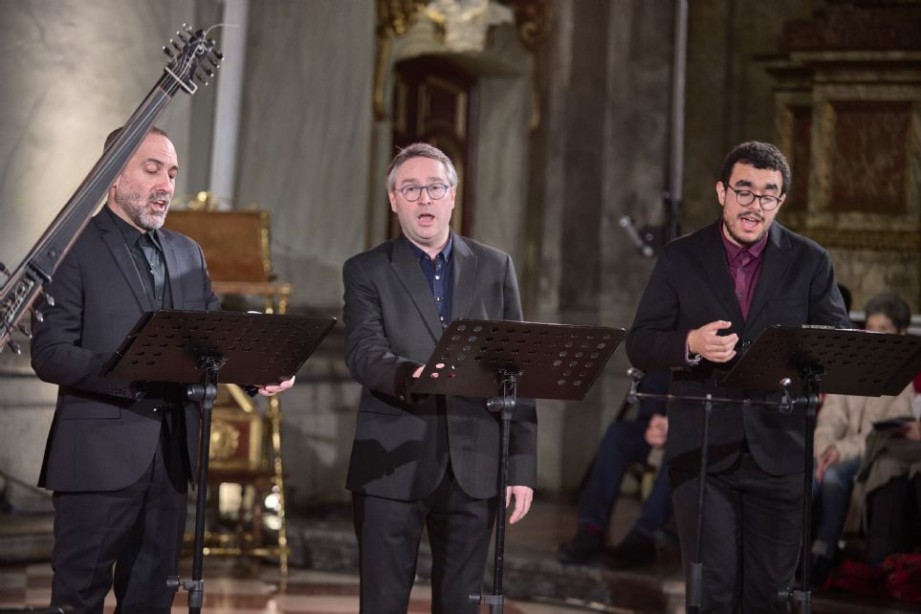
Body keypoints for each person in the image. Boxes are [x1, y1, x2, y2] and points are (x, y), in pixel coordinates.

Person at [30, 126, 293, 613]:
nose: (165, 185)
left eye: (172, 173)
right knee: (78, 599)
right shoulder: (70, 248)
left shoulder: (186, 252)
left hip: (171, 459)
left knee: (152, 599)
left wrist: (258, 369)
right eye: (152, 170)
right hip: (96, 458)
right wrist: (132, 369)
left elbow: (212, 341)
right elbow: (50, 352)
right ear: (112, 176)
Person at [626, 141, 850, 612]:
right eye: (744, 191)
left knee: (768, 596)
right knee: (714, 592)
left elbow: (836, 345)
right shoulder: (681, 257)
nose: (755, 205)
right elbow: (641, 342)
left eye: (768, 195)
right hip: (704, 451)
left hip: (781, 450)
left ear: (780, 201)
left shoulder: (810, 261)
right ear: (721, 192)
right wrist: (690, 343)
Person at [342, 142, 537, 613]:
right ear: (394, 201)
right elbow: (363, 352)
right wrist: (413, 375)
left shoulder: (496, 266)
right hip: (393, 461)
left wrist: (520, 466)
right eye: (411, 189)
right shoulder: (367, 270)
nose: (424, 198)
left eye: (435, 187)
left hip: (475, 463)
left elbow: (517, 369)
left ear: (453, 195)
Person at [811, 292, 915, 585]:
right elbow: (830, 417)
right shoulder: (849, 368)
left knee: (834, 477)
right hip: (834, 451)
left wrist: (839, 452)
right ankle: (792, 555)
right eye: (870, 327)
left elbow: (882, 433)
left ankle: (823, 551)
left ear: (900, 334)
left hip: (869, 456)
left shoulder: (902, 379)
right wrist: (826, 448)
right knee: (807, 474)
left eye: (884, 329)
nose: (875, 335)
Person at [558, 368, 673, 569]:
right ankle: (592, 530)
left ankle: (645, 536)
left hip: (697, 429)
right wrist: (654, 418)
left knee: (680, 448)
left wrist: (679, 423)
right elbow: (657, 372)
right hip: (658, 425)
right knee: (618, 435)